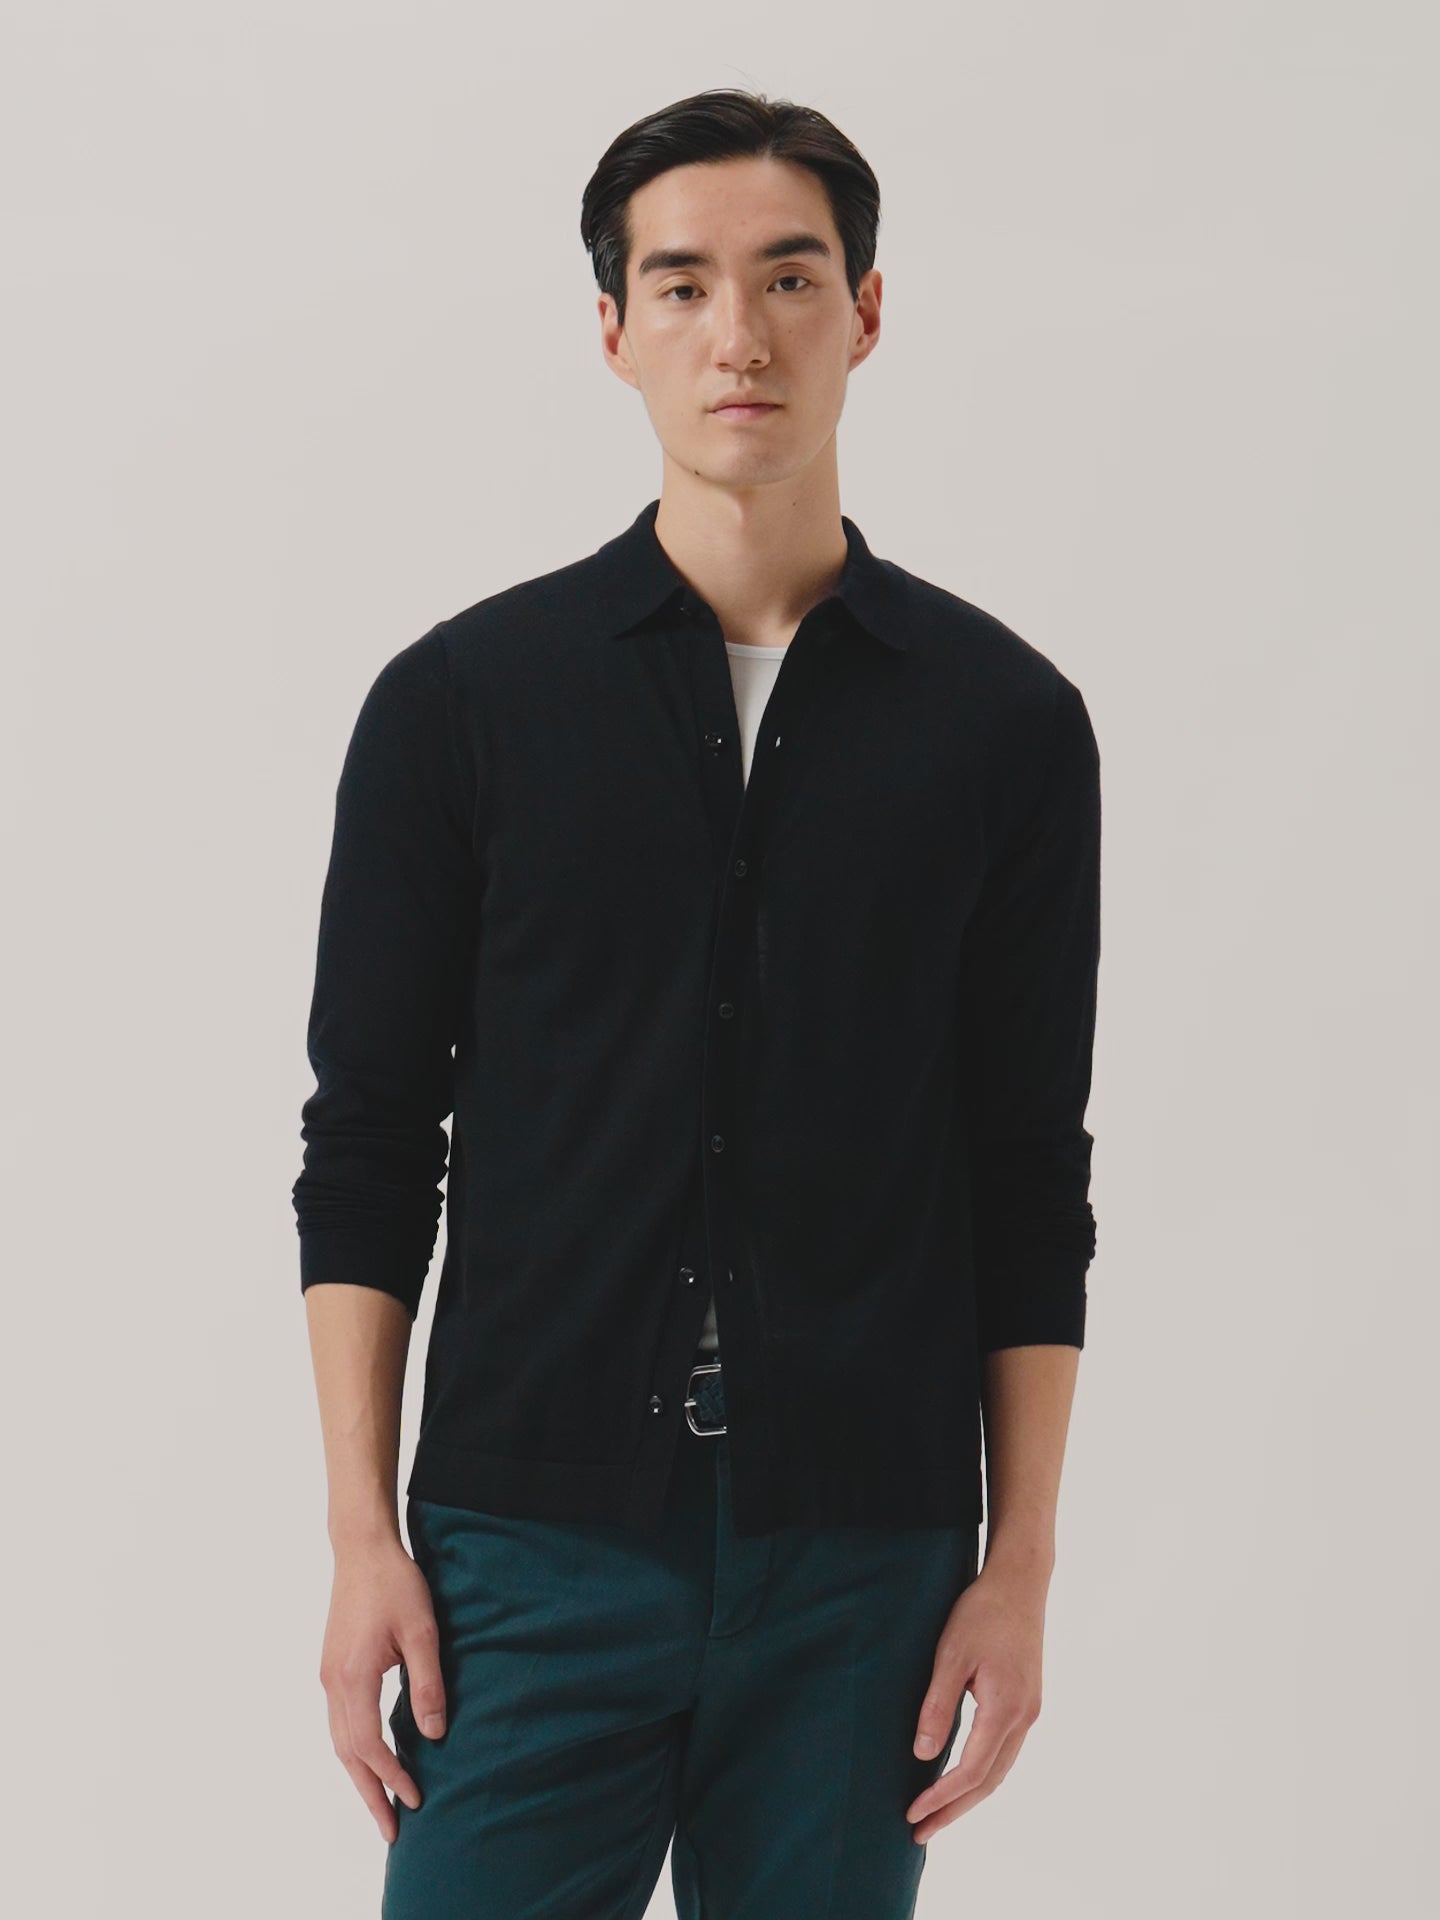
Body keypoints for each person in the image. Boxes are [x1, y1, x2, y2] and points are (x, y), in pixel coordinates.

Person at [293, 86, 1102, 1920]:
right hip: (524, 1551)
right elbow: (369, 1147)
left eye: (790, 278)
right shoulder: (461, 708)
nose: (739, 334)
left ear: (866, 314)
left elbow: (1026, 1170)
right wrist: (361, 1540)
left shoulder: (1005, 726)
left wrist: (1020, 1566)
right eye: (682, 285)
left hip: (866, 1566)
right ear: (614, 329)